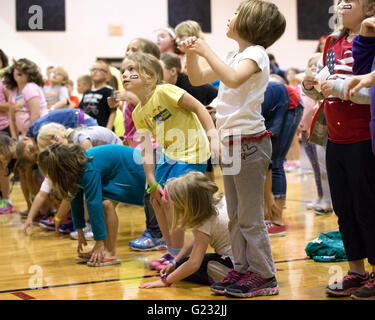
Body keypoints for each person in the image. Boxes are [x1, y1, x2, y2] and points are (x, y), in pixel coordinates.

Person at [182, 0, 285, 297]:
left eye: (236, 14)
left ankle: (265, 275)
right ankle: (241, 270)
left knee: (250, 217)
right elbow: (198, 78)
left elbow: (232, 78)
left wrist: (204, 50)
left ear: (252, 22)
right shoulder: (233, 53)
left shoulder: (256, 54)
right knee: (236, 215)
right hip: (231, 143)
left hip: (250, 144)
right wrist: (191, 54)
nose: (230, 18)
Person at [302, 0, 375, 300]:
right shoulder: (332, 42)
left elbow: (368, 92)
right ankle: (356, 271)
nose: (341, 6)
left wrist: (340, 89)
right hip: (336, 138)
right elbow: (325, 82)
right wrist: (310, 85)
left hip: (362, 138)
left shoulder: (369, 42)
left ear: (369, 8)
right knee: (343, 208)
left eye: (350, 2)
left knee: (367, 208)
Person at [124, 52, 218, 271]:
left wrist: (213, 136)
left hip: (193, 150)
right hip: (170, 155)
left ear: (149, 75)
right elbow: (146, 146)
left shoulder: (164, 91)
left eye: (131, 70)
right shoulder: (138, 112)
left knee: (170, 199)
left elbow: (198, 107)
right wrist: (150, 178)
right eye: (123, 71)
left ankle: (177, 257)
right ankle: (172, 252)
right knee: (155, 199)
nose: (125, 74)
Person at [37, 144, 147, 267]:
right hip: (122, 169)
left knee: (106, 204)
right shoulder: (74, 167)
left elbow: (93, 204)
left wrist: (98, 241)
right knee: (106, 203)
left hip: (133, 168)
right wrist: (79, 231)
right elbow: (75, 198)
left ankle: (109, 252)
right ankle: (103, 249)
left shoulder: (87, 169)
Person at [108, 38, 167, 252]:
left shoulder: (153, 84)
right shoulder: (131, 83)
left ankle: (156, 233)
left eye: (135, 50)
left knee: (151, 187)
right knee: (146, 188)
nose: (128, 52)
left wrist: (129, 97)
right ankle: (156, 231)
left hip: (153, 142)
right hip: (137, 141)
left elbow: (150, 105)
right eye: (127, 48)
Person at [23, 123, 123, 237]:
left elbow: (77, 187)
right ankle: (90, 226)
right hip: (110, 164)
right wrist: (30, 218)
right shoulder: (66, 150)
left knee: (86, 189)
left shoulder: (80, 141)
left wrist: (58, 216)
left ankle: (92, 226)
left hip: (119, 165)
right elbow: (42, 193)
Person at [139, 171, 233, 288]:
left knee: (184, 268)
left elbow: (194, 264)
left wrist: (165, 281)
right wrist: (175, 261)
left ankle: (228, 278)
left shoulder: (204, 221)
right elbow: (195, 239)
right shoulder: (221, 201)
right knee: (180, 264)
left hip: (231, 265)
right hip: (244, 260)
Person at [160, 52, 218, 182]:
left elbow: (202, 113)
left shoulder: (190, 87)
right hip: (197, 124)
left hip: (215, 116)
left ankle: (209, 193)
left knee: (205, 156)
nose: (156, 74)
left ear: (173, 71)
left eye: (159, 70)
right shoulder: (168, 87)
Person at [299, 53, 332, 214]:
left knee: (326, 168)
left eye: (316, 65)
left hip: (327, 126)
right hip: (317, 129)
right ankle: (324, 197)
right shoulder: (309, 89)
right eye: (311, 65)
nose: (314, 68)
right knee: (320, 168)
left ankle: (328, 199)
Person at [1, 58, 48, 139]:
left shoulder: (30, 88)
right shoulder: (14, 92)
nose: (19, 71)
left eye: (24, 70)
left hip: (39, 132)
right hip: (25, 134)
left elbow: (35, 115)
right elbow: (11, 119)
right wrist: (14, 138)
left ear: (31, 74)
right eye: (17, 69)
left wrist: (29, 136)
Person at [78, 60, 116, 129]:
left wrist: (108, 130)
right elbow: (81, 111)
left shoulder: (109, 91)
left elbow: (113, 112)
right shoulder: (87, 92)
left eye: (99, 70)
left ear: (107, 75)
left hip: (102, 129)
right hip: (86, 128)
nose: (95, 71)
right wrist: (79, 125)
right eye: (93, 69)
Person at [0, 49, 13, 214]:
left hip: (3, 128)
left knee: (2, 167)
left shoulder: (5, 81)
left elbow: (13, 104)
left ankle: (6, 200)